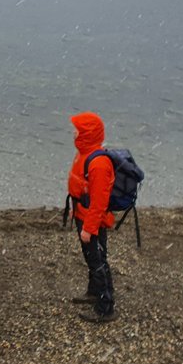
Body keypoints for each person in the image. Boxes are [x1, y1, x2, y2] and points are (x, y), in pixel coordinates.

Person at [67, 111, 117, 323]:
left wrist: (89, 228)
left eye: (77, 131)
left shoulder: (98, 163)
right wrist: (74, 210)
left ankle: (105, 308)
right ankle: (93, 292)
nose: (74, 134)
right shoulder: (84, 153)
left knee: (98, 261)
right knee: (91, 258)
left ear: (87, 134)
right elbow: (82, 190)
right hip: (82, 214)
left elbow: (99, 202)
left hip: (92, 221)